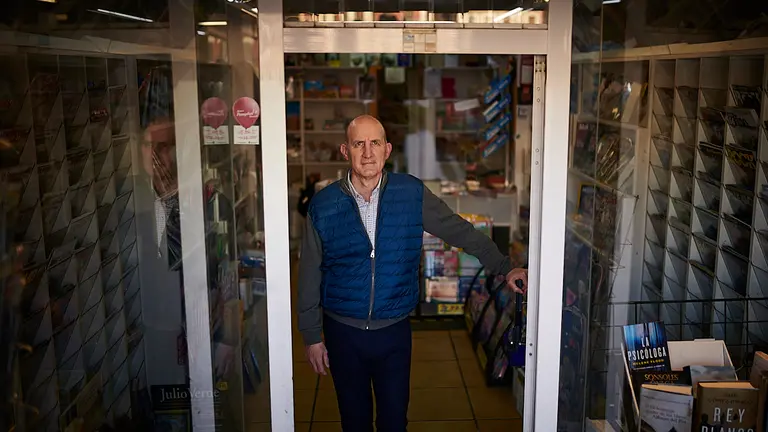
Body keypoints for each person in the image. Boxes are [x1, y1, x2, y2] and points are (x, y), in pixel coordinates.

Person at [297, 115, 528, 432]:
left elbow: (459, 231)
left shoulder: (410, 194)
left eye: (375, 143)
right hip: (342, 332)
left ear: (387, 149)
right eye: (358, 144)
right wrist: (312, 336)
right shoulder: (324, 205)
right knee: (354, 421)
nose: (367, 153)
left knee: (394, 422)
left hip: (394, 332)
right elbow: (310, 271)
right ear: (344, 151)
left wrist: (504, 266)